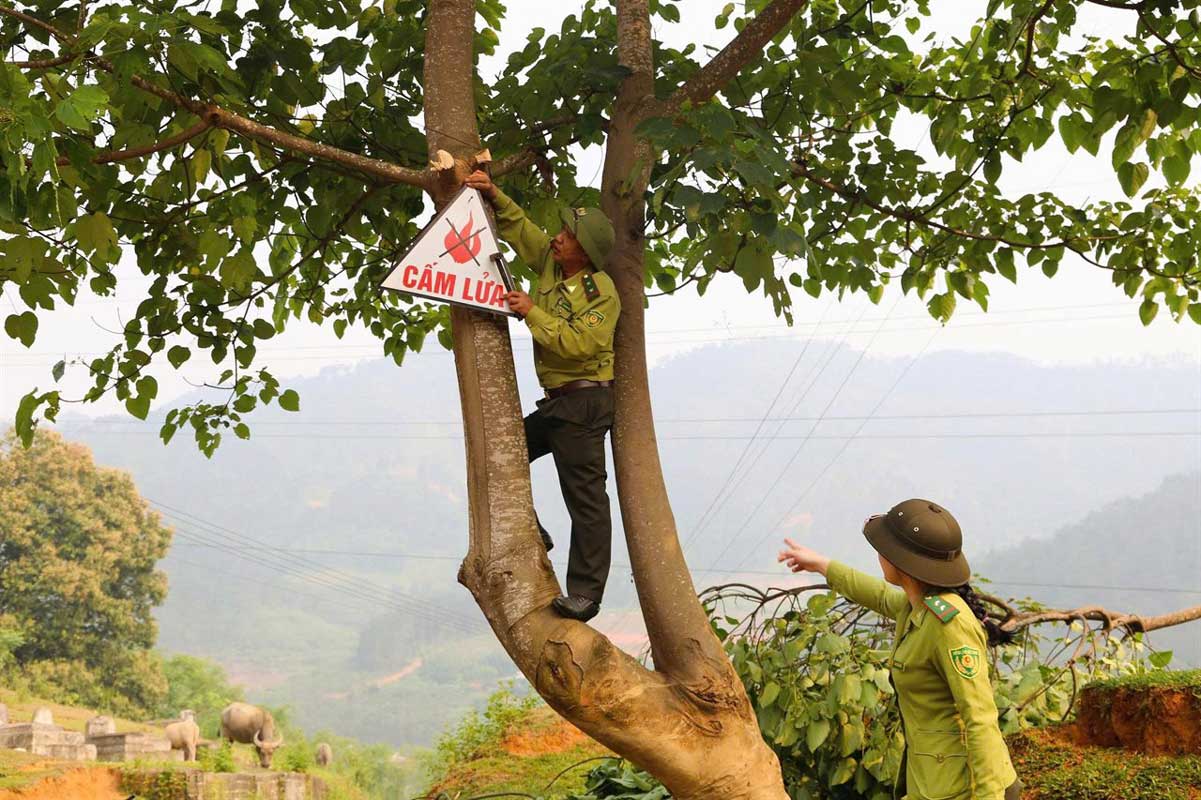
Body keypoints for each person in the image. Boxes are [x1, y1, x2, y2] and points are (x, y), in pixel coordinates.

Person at [778, 499, 1021, 800]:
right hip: (933, 780)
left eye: (884, 548)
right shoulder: (919, 605)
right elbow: (880, 596)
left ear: (902, 561)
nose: (879, 554)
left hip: (964, 787)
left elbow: (979, 716)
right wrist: (822, 565)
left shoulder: (949, 625)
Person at [464, 169, 619, 623]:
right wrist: (493, 192)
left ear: (583, 252)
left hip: (584, 403)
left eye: (567, 236)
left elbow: (578, 344)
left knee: (586, 500)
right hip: (556, 401)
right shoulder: (552, 264)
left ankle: (586, 595)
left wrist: (532, 312)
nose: (557, 238)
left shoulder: (601, 293)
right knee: (501, 459)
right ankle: (536, 531)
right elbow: (522, 231)